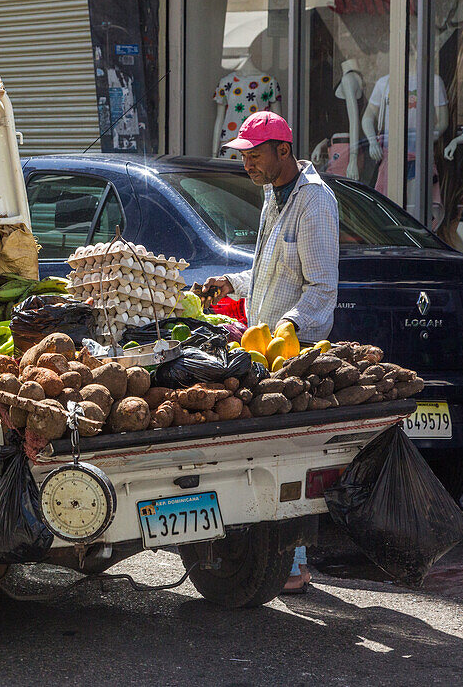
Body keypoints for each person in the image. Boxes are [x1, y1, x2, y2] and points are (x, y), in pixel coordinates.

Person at [203, 111, 340, 595]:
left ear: (284, 150)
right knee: (267, 455)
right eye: (243, 156)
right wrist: (234, 285)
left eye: (254, 155)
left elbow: (321, 287)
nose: (247, 164)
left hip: (295, 351)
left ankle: (295, 564)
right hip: (263, 346)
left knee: (285, 458)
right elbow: (269, 267)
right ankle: (282, 561)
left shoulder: (314, 202)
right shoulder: (273, 195)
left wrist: (290, 327)